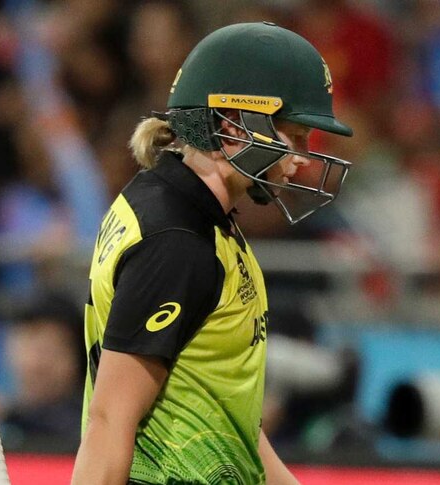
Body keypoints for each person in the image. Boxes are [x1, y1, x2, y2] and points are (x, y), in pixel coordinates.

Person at [70, 22, 352, 485]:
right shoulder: (178, 242)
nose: (303, 157)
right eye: (293, 136)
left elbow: (222, 404)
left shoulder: (194, 216)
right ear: (231, 126)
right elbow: (109, 421)